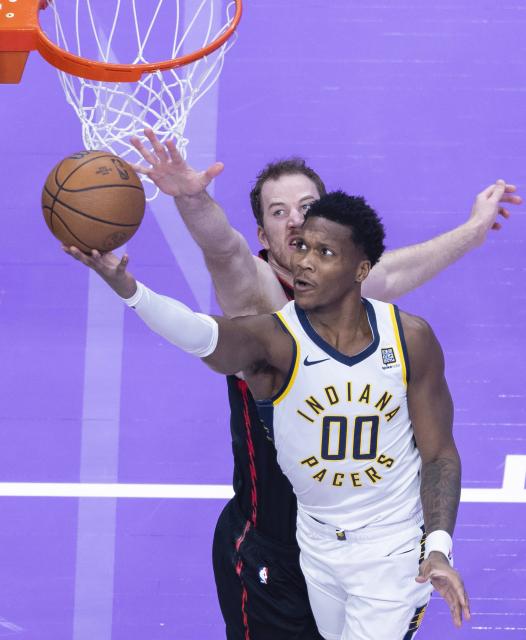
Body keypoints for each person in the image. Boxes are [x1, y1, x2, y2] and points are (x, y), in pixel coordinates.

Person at [121, 130, 520, 639]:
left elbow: (398, 271)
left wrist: (474, 229)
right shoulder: (259, 298)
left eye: (304, 209)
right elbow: (224, 251)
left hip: (364, 549)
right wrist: (193, 199)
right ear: (263, 236)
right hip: (275, 552)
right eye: (278, 212)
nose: (293, 222)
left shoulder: (347, 290)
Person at [65, 190, 471, 639]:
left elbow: (439, 456)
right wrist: (130, 291)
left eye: (324, 252)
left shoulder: (410, 339)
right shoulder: (279, 341)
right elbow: (203, 335)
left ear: (361, 270)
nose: (304, 262)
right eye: (301, 247)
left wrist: (437, 547)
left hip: (392, 553)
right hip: (315, 545)